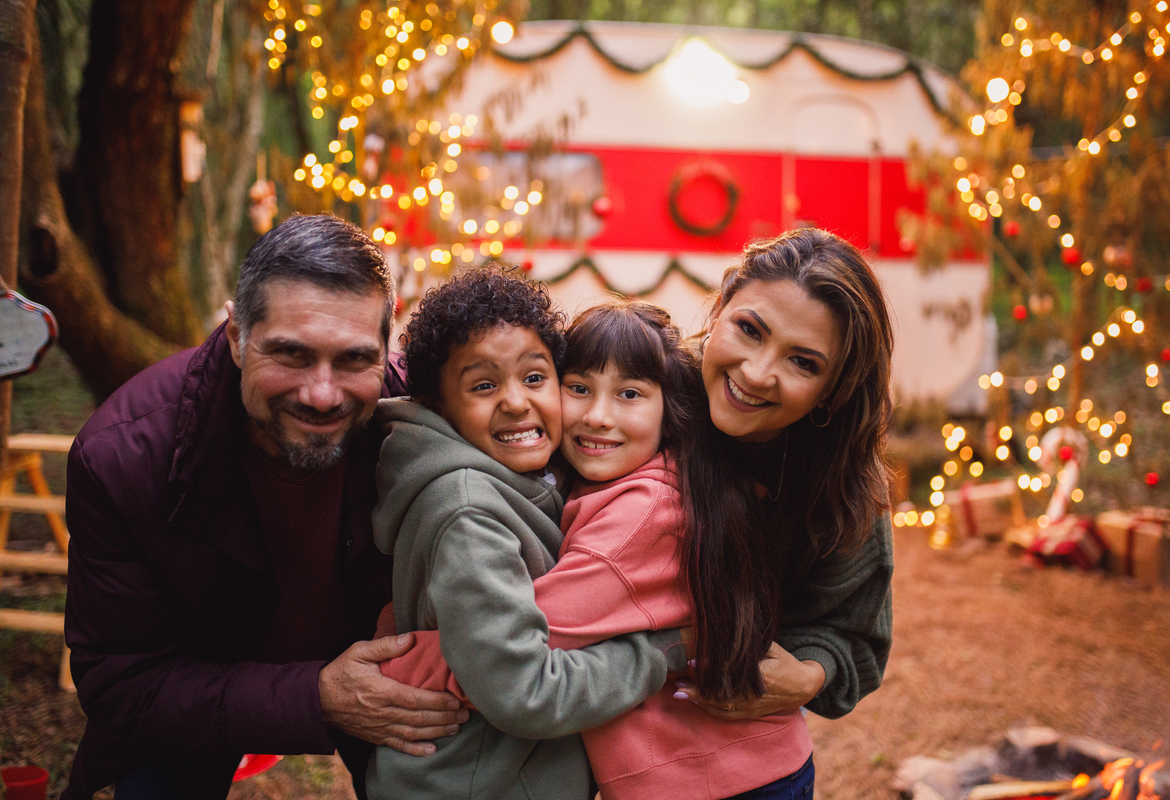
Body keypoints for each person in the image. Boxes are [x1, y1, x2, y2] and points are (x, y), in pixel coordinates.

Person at [62, 214, 467, 800]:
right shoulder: (124, 458)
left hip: (391, 676)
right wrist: (317, 696)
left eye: (354, 360)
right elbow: (122, 680)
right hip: (200, 687)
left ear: (387, 348)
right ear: (235, 337)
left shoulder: (425, 419)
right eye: (292, 355)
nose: (322, 393)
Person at [384, 299, 816, 799]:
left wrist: (392, 665)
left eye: (629, 394)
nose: (598, 416)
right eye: (579, 388)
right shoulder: (619, 484)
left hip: (724, 780)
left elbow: (519, 649)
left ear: (668, 410)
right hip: (716, 771)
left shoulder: (640, 518)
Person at [367, 270, 685, 800]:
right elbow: (526, 692)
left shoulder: (529, 477)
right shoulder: (469, 514)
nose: (516, 402)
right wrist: (661, 652)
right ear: (438, 405)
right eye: (484, 385)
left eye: (535, 378)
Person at [673, 226, 896, 798]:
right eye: (749, 329)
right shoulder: (639, 396)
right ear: (720, 307)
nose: (756, 372)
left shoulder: (841, 484)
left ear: (832, 389)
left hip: (746, 767)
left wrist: (808, 675)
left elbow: (855, 632)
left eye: (802, 362)